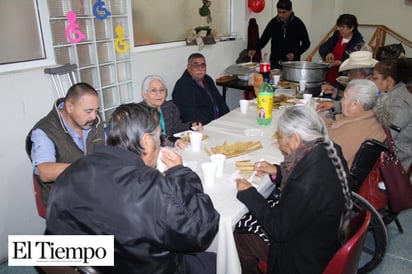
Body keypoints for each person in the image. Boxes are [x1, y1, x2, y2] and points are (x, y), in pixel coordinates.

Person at [46, 103, 220, 274]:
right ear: (146, 141)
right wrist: (180, 173)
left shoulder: (72, 171)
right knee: (217, 261)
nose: (160, 145)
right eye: (158, 139)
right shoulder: (151, 187)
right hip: (148, 267)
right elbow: (202, 230)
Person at [234, 105, 352, 274]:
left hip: (302, 258)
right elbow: (307, 181)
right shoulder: (330, 149)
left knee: (240, 232)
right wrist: (278, 172)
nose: (280, 144)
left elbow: (278, 229)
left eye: (282, 138)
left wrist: (248, 193)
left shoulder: (304, 184)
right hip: (326, 237)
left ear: (295, 139)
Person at [25, 82, 105, 206]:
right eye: (88, 111)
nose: (94, 116)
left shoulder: (94, 121)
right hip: (63, 204)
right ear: (70, 107)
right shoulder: (45, 132)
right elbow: (45, 172)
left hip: (92, 195)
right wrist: (87, 169)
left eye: (96, 110)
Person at [322, 79, 390, 168]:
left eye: (344, 97)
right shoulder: (369, 119)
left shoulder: (355, 130)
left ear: (355, 103)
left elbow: (325, 159)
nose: (341, 101)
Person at [139, 75, 203, 150]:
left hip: (172, 147)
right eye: (153, 90)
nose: (159, 94)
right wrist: (172, 141)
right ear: (144, 94)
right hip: (152, 151)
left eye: (162, 90)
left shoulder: (169, 107)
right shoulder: (139, 112)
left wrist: (191, 125)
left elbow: (176, 127)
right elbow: (152, 137)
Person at [372, 58, 412, 172]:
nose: (372, 82)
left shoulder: (400, 104)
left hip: (397, 165)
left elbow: (384, 138)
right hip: (389, 156)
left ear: (388, 81)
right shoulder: (392, 95)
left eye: (375, 78)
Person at [248, 0, 310, 69]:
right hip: (275, 63)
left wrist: (295, 54)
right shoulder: (273, 23)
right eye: (278, 12)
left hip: (292, 65)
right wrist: (254, 48)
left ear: (290, 11)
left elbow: (306, 43)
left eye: (283, 12)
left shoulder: (298, 24)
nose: (280, 15)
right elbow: (264, 39)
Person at [172, 53, 230, 125]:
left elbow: (220, 101)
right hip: (201, 127)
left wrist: (227, 118)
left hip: (218, 122)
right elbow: (189, 115)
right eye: (196, 65)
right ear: (188, 67)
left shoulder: (207, 79)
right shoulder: (183, 86)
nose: (200, 68)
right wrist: (212, 124)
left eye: (203, 65)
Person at [319, 14, 365, 87]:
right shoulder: (336, 37)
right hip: (329, 76)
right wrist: (327, 53)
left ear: (351, 28)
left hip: (343, 79)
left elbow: (355, 61)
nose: (340, 29)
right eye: (339, 26)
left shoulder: (358, 43)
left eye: (343, 27)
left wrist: (342, 63)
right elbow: (323, 47)